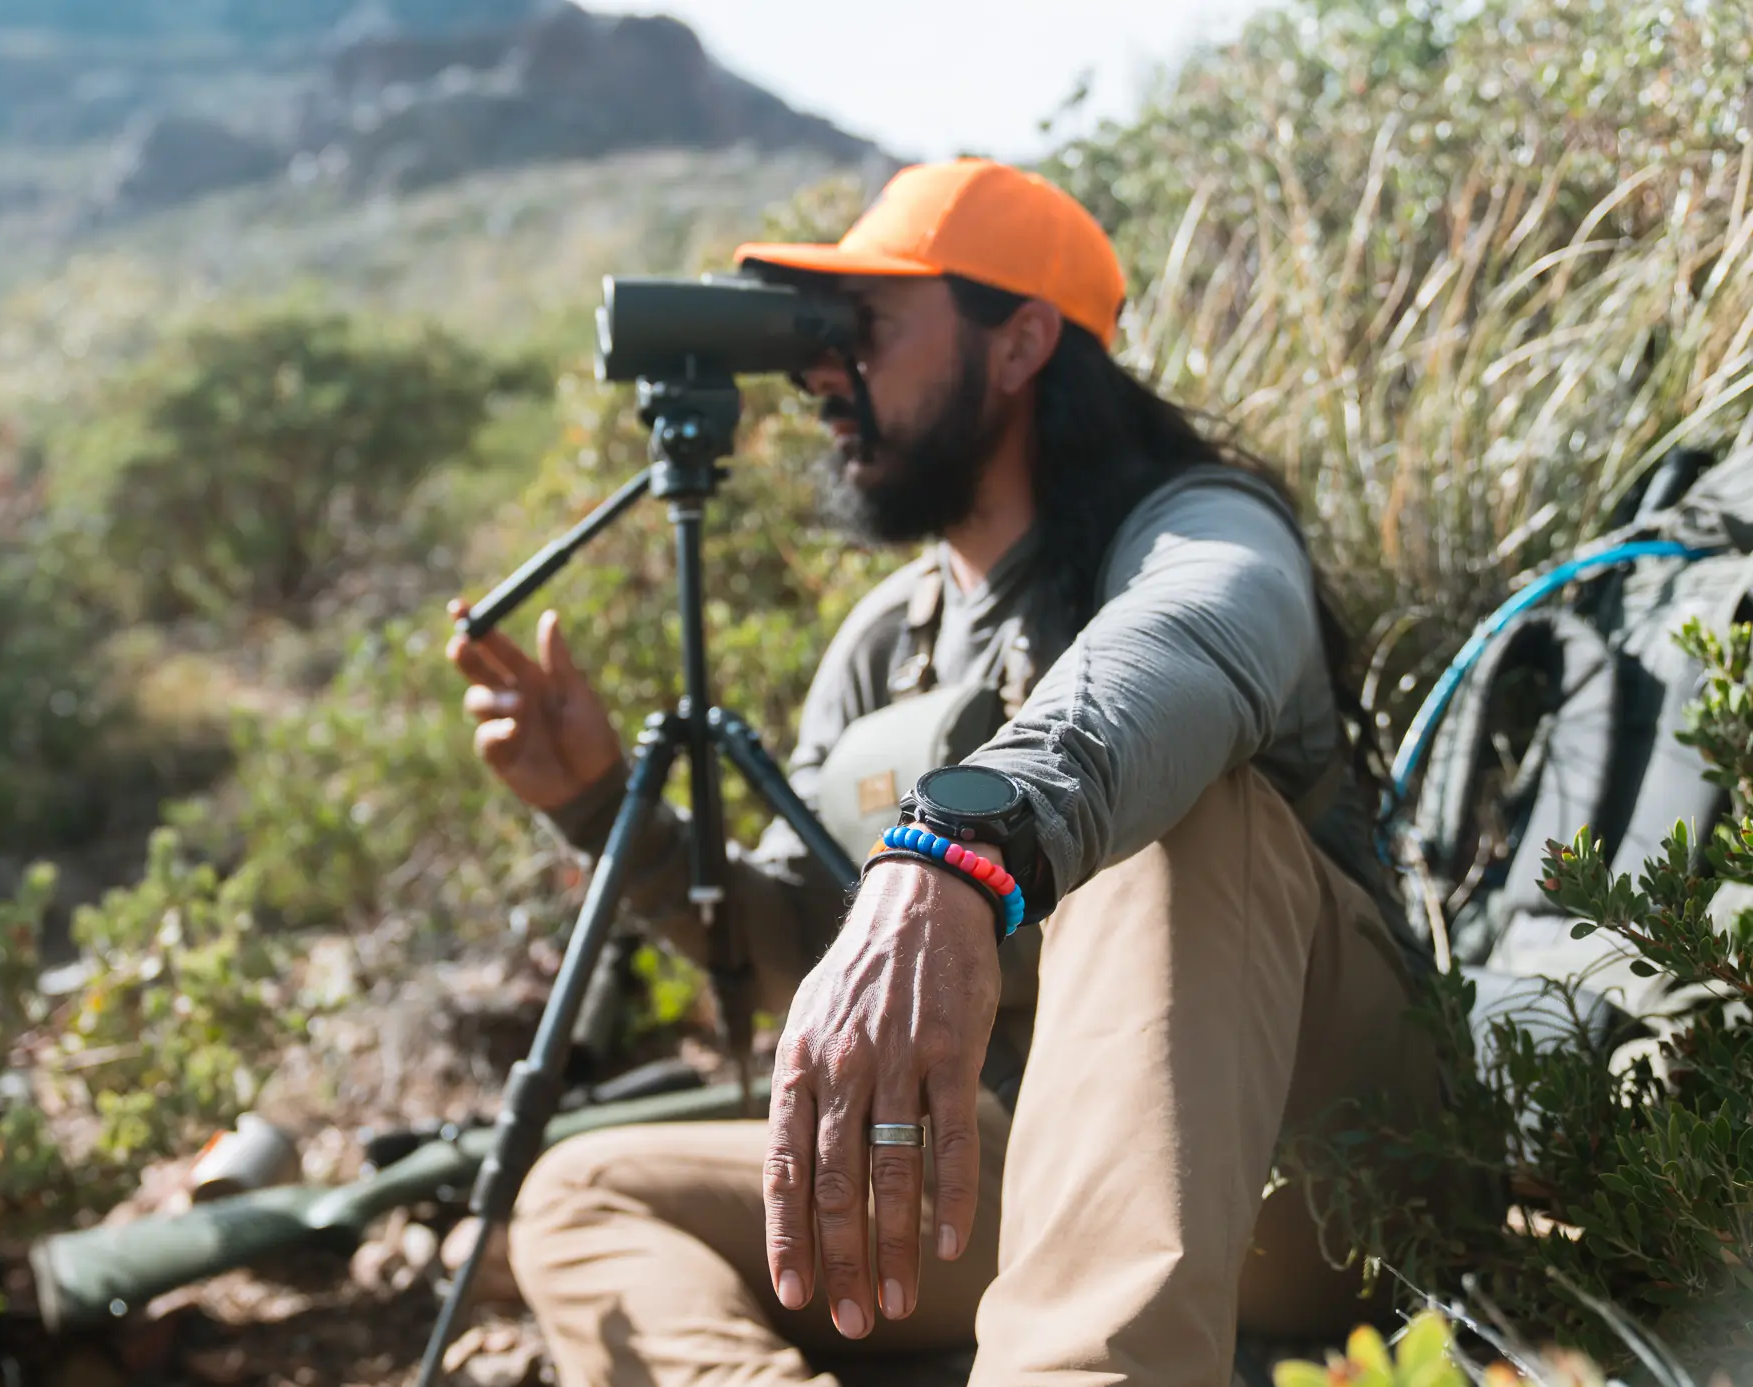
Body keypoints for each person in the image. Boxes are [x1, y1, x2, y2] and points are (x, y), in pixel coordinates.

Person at [445, 157, 1441, 1387]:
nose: (822, 373)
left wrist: (959, 853)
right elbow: (804, 941)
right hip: (1036, 1165)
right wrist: (601, 807)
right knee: (586, 1193)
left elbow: (1197, 636)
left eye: (861, 327)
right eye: (817, 339)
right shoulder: (886, 641)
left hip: (1319, 1160)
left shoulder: (1197, 526)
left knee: (1182, 812)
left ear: (1020, 343)